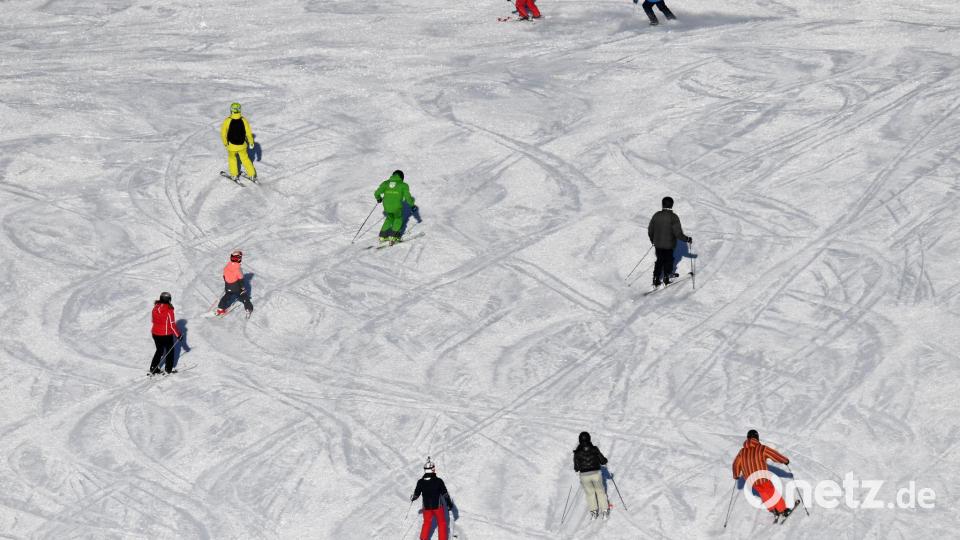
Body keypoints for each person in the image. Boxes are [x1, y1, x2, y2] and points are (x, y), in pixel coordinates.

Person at [732, 429, 794, 519]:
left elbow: (736, 464)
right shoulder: (761, 448)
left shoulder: (742, 452)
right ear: (757, 438)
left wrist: (736, 474)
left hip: (751, 479)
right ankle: (783, 510)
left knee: (763, 493)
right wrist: (785, 460)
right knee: (771, 492)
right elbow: (774, 455)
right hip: (762, 477)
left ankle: (772, 509)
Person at [647, 196, 692, 287]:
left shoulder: (656, 215)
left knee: (659, 260)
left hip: (658, 244)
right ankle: (667, 278)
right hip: (669, 244)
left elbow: (650, 230)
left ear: (662, 204)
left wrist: (653, 240)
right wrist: (687, 239)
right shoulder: (673, 217)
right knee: (669, 260)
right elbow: (678, 234)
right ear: (672, 205)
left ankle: (656, 278)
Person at [411, 457, 455, 540]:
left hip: (426, 507)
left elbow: (416, 495)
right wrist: (449, 504)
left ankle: (423, 538)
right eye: (433, 468)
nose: (435, 469)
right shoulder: (438, 481)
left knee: (427, 523)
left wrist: (413, 498)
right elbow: (445, 494)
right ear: (432, 469)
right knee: (441, 523)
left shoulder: (420, 482)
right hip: (437, 507)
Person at [374, 170, 418, 244]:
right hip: (396, 207)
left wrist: (378, 198)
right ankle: (393, 236)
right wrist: (412, 205)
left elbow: (376, 193)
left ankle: (382, 236)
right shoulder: (403, 185)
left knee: (389, 219)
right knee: (398, 219)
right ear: (402, 177)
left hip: (386, 206)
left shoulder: (386, 183)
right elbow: (408, 197)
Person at [573, 432, 610, 519]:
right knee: (600, 492)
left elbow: (576, 468)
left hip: (584, 476)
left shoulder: (577, 452)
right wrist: (604, 460)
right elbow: (603, 461)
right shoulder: (594, 449)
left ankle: (593, 512)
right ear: (589, 439)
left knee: (590, 494)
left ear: (579, 440)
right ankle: (604, 511)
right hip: (596, 474)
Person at [220, 102, 257, 181]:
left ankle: (234, 175)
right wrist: (251, 142)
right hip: (242, 145)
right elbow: (248, 133)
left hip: (231, 146)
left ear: (231, 110)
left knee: (232, 159)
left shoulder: (227, 120)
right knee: (245, 159)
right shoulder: (244, 120)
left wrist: (225, 143)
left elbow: (223, 133)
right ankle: (252, 175)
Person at [150, 292, 181, 375]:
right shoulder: (169, 310)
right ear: (169, 299)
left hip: (155, 333)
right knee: (170, 351)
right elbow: (172, 325)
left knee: (159, 350)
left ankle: (154, 368)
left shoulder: (155, 307)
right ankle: (168, 369)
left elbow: (153, 320)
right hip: (166, 334)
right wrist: (178, 335)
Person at [216, 250, 253, 318]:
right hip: (236, 287)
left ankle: (220, 307)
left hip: (228, 286)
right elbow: (241, 280)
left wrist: (227, 283)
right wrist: (243, 288)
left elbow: (224, 276)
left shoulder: (227, 266)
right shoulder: (238, 269)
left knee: (227, 295)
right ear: (239, 259)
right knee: (243, 296)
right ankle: (248, 308)